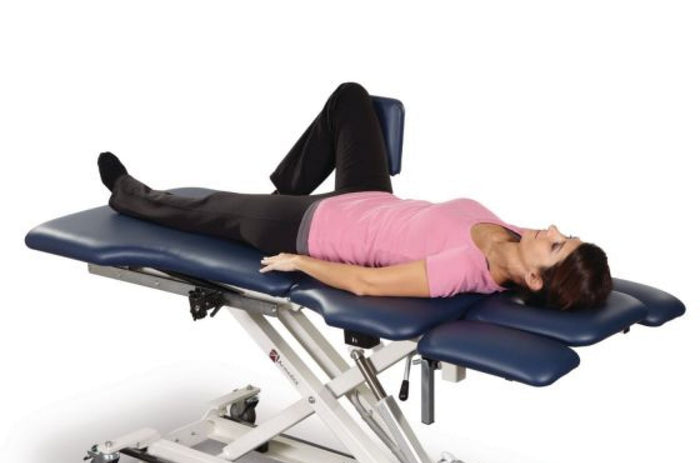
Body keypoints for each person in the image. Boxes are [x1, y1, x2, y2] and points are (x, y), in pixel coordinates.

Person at [97, 82, 612, 310]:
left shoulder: (460, 271)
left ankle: (127, 195)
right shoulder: (517, 237)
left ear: (534, 278)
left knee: (204, 209)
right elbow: (572, 281)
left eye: (556, 245)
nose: (551, 230)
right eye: (564, 234)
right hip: (370, 200)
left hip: (314, 227)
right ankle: (278, 194)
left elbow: (366, 284)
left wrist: (301, 261)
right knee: (349, 98)